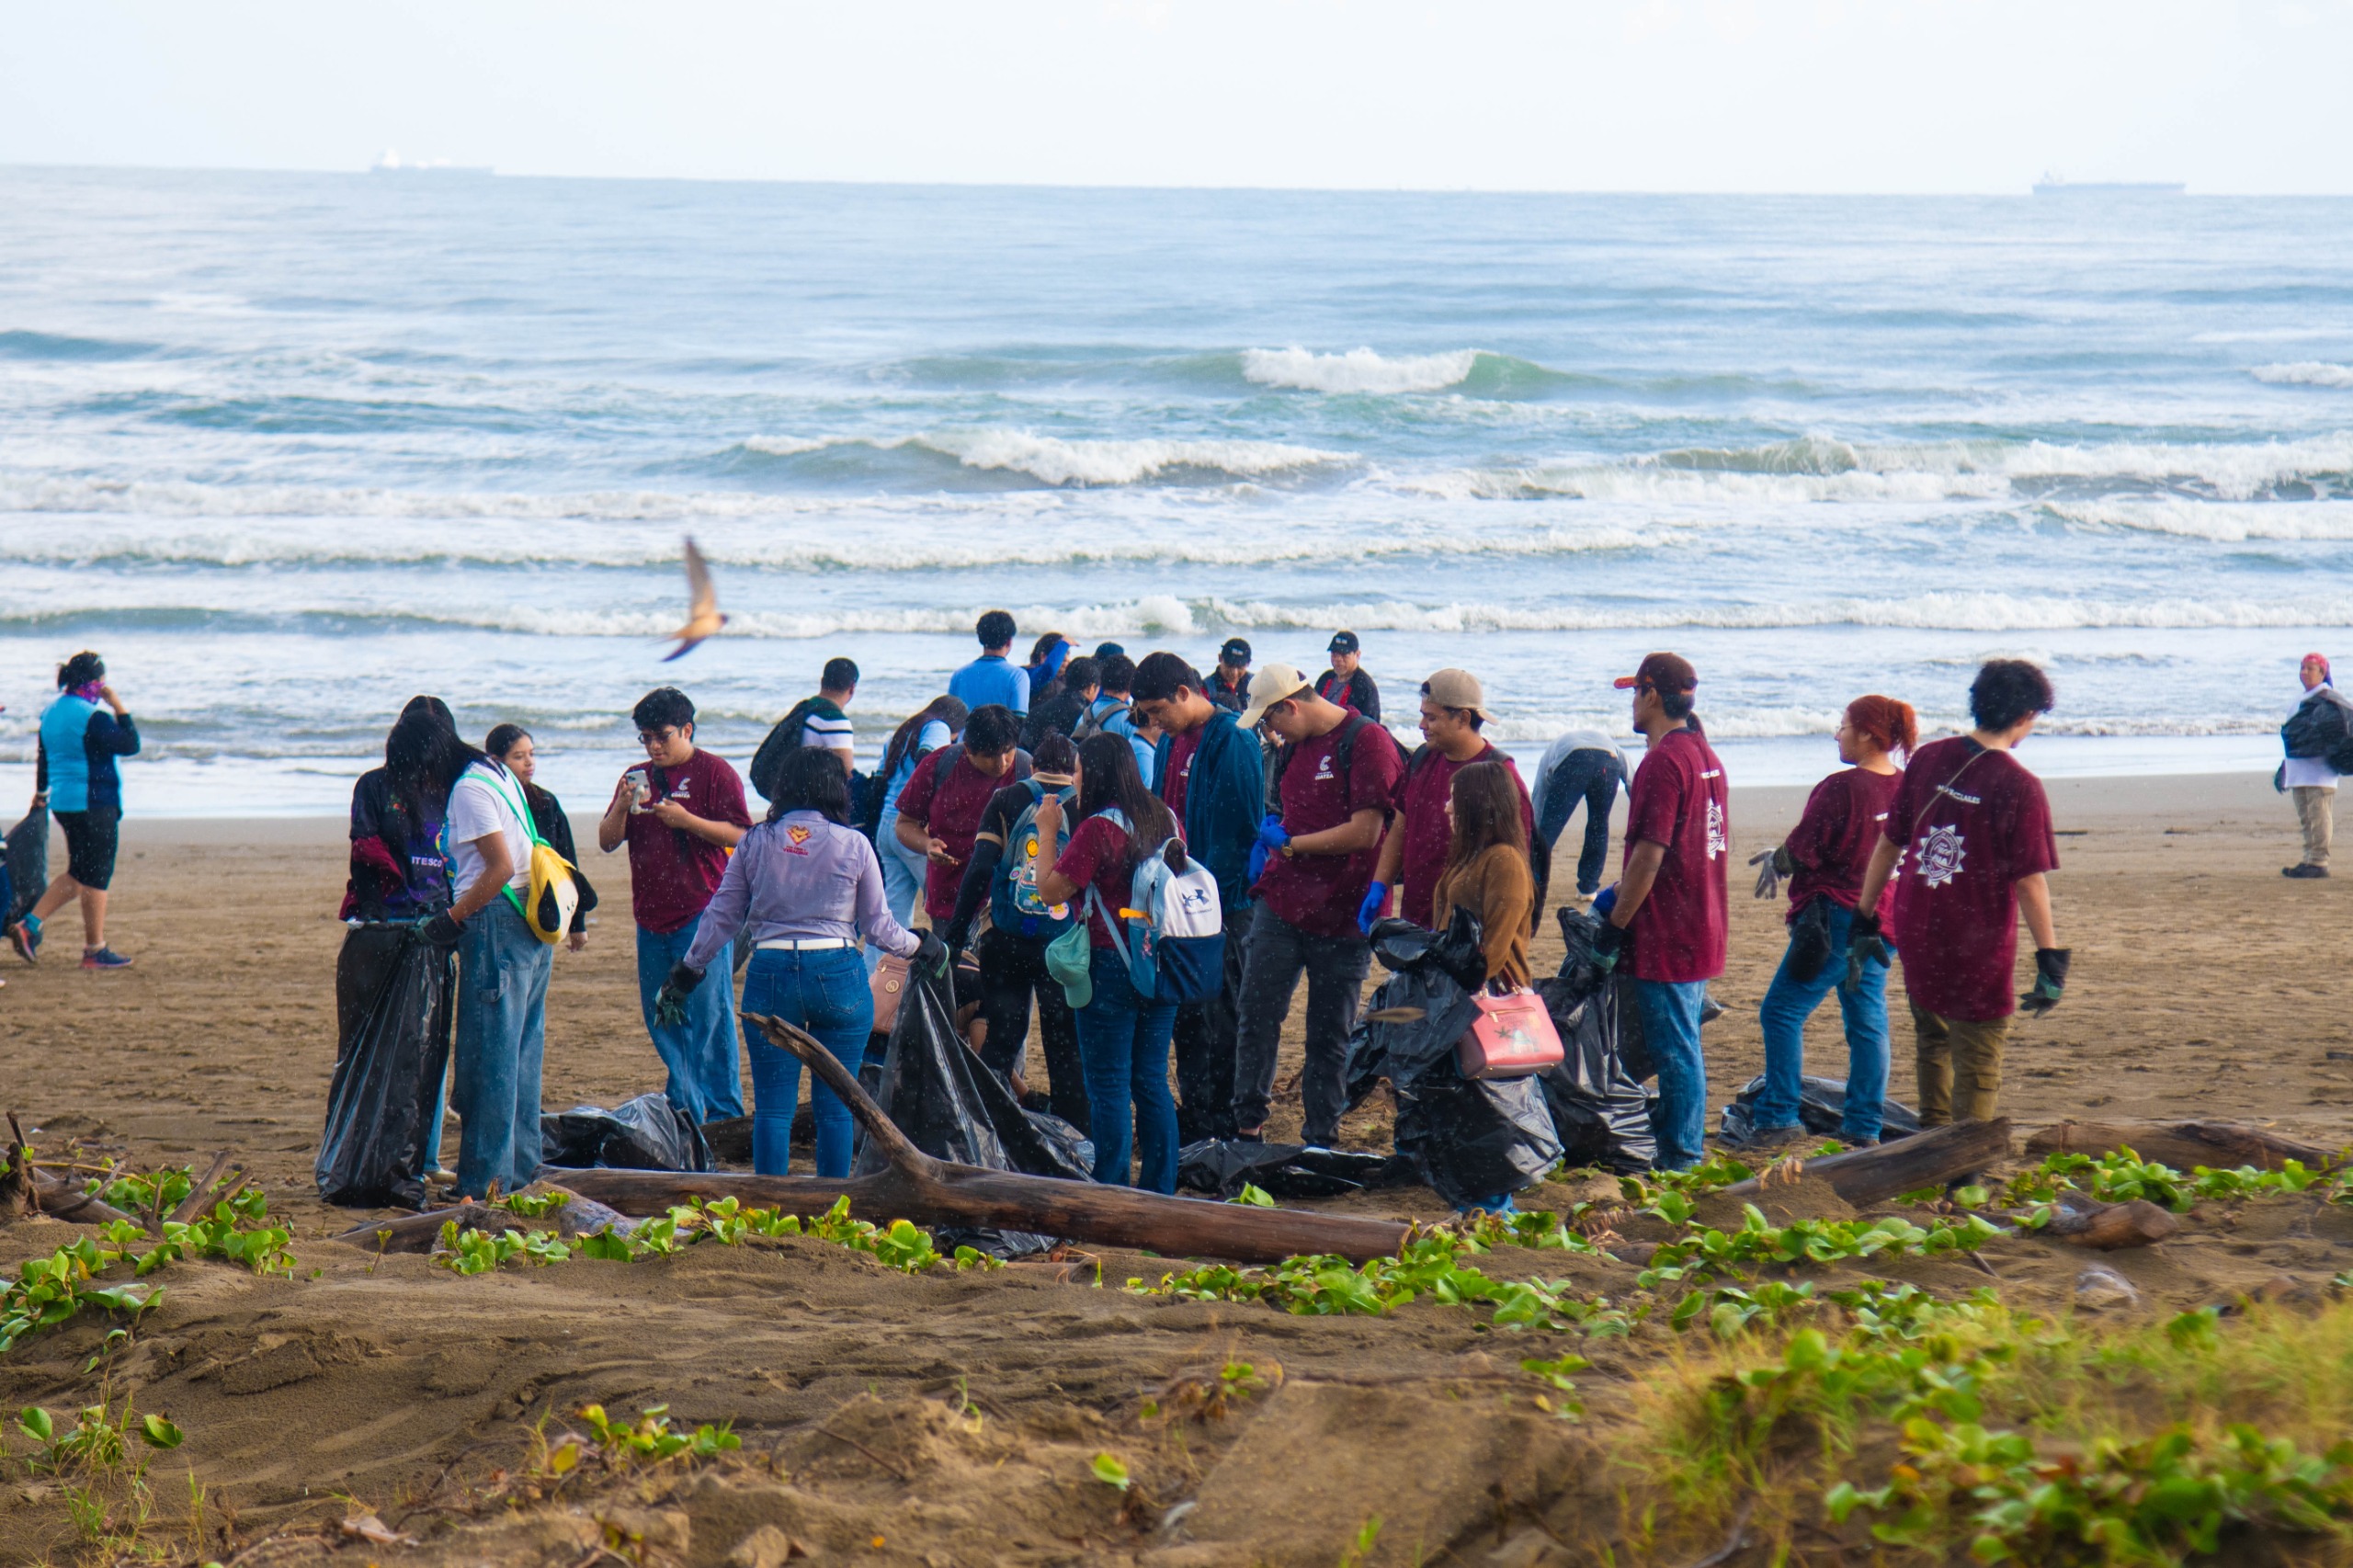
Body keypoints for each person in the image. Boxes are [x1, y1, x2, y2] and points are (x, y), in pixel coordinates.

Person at [656, 747, 941, 1177]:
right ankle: (833, 1203)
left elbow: (722, 916)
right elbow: (880, 928)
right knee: (837, 1108)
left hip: (771, 975)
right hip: (838, 975)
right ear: (836, 789)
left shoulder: (754, 840)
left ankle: (770, 1202)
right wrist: (920, 946)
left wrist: (689, 970)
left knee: (773, 1109)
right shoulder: (854, 843)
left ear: (784, 787)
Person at [1852, 660, 2063, 1132]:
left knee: (1932, 1038)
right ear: (2025, 715)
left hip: (1919, 925)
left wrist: (1864, 916)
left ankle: (1932, 1139)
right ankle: (1967, 1156)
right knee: (1979, 1053)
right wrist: (2051, 958)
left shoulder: (1929, 758)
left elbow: (1889, 844)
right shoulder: (2020, 786)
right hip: (1975, 939)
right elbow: (2029, 881)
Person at [1233, 663, 1406, 1144]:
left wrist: (1291, 845)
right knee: (1256, 1013)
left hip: (1345, 910)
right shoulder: (1295, 747)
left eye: (1270, 720)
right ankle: (1247, 1126)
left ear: (1290, 706)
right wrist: (1273, 838)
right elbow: (1288, 808)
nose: (1270, 732)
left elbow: (1366, 831)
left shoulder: (1366, 741)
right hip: (1283, 901)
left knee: (1329, 1034)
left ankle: (1321, 1138)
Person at [1744, 696, 1915, 1149]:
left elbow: (1804, 849)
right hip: (1886, 916)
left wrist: (1776, 860)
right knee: (1867, 1016)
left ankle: (1779, 1117)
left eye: (1843, 726)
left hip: (1841, 916)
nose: (1837, 735)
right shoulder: (1905, 784)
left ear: (1867, 734)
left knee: (1782, 1010)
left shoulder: (1843, 788)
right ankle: (1863, 1126)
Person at [1030, 733, 1186, 1191]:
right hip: (1159, 960)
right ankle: (1161, 1190)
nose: (1074, 778)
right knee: (1152, 1081)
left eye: (1078, 770)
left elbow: (1050, 892)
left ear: (1095, 774)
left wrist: (1047, 830)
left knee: (1108, 1083)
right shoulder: (1166, 818)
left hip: (1108, 962)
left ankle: (1113, 1189)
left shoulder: (1098, 829)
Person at [1594, 653, 1729, 1173]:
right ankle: (1680, 1145)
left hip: (1670, 928)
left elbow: (1649, 855)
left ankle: (1681, 1156)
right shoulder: (1703, 752)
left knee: (1676, 1049)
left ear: (1652, 695)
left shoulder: (1663, 762)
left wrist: (1615, 925)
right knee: (1682, 1042)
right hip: (1701, 917)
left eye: (1635, 692)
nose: (1632, 702)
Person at [597, 687, 751, 1124]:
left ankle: (722, 1115)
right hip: (650, 915)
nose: (653, 747)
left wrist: (688, 821)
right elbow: (607, 841)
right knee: (663, 1014)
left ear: (687, 729)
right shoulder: (635, 776)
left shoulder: (716, 773)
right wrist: (622, 806)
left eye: (661, 736)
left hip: (703, 913)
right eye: (645, 738)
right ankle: (686, 1106)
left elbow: (743, 836)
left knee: (708, 1017)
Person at [1135, 652, 1267, 1142]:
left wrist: (1209, 905)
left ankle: (1221, 1119)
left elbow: (1242, 831)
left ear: (1184, 693)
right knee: (1185, 1014)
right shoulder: (1171, 742)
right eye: (1147, 714)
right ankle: (1194, 1113)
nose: (1154, 722)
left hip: (1222, 904)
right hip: (1174, 902)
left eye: (1158, 711)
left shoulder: (1233, 738)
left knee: (1221, 1014)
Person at [417, 733, 551, 1199]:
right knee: (522, 1055)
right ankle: (523, 1174)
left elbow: (499, 868)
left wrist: (451, 919)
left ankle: (482, 1182)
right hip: (530, 920)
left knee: (490, 1057)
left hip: (497, 921)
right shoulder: (499, 777)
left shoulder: (470, 788)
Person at [943, 733, 1087, 1131]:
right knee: (1064, 1042)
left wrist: (955, 933)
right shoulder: (1082, 804)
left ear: (1033, 764)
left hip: (1006, 939)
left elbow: (980, 868)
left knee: (1003, 1034)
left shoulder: (1006, 799)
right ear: (1073, 766)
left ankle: (986, 1126)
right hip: (1063, 945)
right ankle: (1074, 1133)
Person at [1361, 670, 1535, 936]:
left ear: (1463, 718)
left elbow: (1515, 866)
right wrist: (1379, 884)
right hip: (1415, 921)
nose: (1422, 725)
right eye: (1422, 715)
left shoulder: (1500, 776)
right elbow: (1400, 828)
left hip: (1466, 931)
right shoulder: (1422, 758)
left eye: (1432, 718)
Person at [17, 652, 142, 969]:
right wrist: (118, 706)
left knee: (79, 872)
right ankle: (94, 950)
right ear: (95, 682)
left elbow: (43, 757)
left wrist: (41, 794)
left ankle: (29, 925)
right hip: (94, 802)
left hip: (64, 803)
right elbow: (130, 744)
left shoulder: (51, 712)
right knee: (97, 877)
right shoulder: (92, 716)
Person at [893, 704, 1031, 929]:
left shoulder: (1026, 769)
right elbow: (904, 824)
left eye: (1008, 751)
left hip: (1010, 900)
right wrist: (927, 845)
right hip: (950, 901)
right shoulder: (940, 765)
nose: (1002, 763)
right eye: (990, 756)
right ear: (968, 748)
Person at [340, 698, 457, 924]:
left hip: (441, 913)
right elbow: (363, 853)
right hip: (389, 912)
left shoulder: (455, 786)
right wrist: (371, 910)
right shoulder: (374, 784)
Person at [486, 722, 597, 951]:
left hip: (544, 903)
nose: (529, 762)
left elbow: (565, 862)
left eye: (532, 754)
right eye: (519, 756)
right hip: (505, 900)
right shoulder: (487, 801)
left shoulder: (545, 802)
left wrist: (577, 922)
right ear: (496, 761)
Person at [1433, 761, 1537, 992]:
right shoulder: (1471, 856)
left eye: (1454, 799)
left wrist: (1456, 984)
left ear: (1478, 805)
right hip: (1461, 986)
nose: (1447, 808)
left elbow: (1495, 948)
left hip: (1492, 994)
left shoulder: (1506, 860)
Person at [872, 696, 969, 931]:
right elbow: (929, 760)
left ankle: (880, 955)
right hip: (911, 824)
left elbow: (880, 778)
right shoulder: (938, 727)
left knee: (894, 909)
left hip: (887, 822)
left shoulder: (904, 731)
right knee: (946, 899)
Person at [1531, 725, 1630, 903]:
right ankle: (1588, 888)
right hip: (1609, 761)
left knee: (1549, 829)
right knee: (1599, 825)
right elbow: (1632, 780)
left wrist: (1534, 828)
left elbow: (1540, 791)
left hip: (1573, 760)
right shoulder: (1613, 745)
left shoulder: (1552, 751)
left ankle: (1532, 880)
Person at [2280, 653, 2352, 879]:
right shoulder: (2300, 700)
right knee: (2307, 818)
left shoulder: (2331, 699)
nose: (2304, 672)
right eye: (2302, 667)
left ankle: (2319, 862)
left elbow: (2342, 732)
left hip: (2320, 771)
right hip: (2299, 770)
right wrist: (2284, 768)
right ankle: (2309, 859)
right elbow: (2293, 738)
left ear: (2323, 673)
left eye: (2310, 668)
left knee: (2319, 816)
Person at [748, 657, 858, 802]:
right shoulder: (834, 719)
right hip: (811, 801)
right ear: (852, 688)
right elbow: (847, 774)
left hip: (789, 795)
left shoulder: (805, 708)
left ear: (822, 681)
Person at [1077, 653, 1156, 787]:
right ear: (1130, 685)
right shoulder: (1129, 719)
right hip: (1114, 790)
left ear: (1102, 682)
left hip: (1085, 784)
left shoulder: (1085, 714)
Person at [949, 609, 1030, 717]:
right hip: (1000, 729)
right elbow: (1019, 720)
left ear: (980, 638)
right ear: (1009, 641)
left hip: (966, 728)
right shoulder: (1017, 676)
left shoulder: (959, 675)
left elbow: (951, 719)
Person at [1021, 656, 1098, 753]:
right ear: (1091, 688)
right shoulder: (1085, 717)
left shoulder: (1038, 710)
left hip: (1034, 760)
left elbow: (1024, 744)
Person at [1313, 631, 1381, 722]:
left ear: (1357, 655)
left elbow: (1371, 725)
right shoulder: (1325, 678)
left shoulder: (1365, 686)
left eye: (1344, 654)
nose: (1338, 659)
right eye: (1334, 654)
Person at [1205, 638, 1253, 713]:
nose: (1234, 673)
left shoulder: (1256, 684)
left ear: (1249, 663)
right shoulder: (1206, 687)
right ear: (1220, 658)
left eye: (1240, 667)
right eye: (1230, 666)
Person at [1023, 633, 1074, 698]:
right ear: (1043, 657)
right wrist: (1064, 643)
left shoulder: (1066, 678)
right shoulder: (1028, 675)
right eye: (1061, 656)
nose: (1067, 659)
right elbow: (1050, 669)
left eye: (1068, 654)